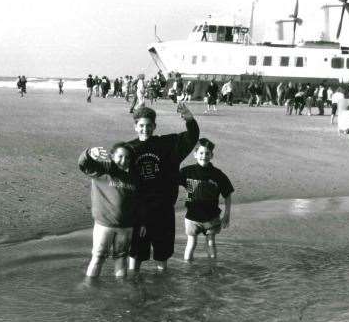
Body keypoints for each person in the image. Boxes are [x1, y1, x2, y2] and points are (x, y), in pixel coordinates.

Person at [127, 104, 199, 272]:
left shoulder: (167, 145)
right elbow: (112, 168)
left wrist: (189, 118)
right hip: (139, 212)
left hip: (164, 210)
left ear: (155, 126)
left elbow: (192, 137)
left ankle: (162, 291)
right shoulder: (129, 149)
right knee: (136, 255)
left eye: (149, 125)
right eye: (141, 125)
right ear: (135, 126)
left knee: (162, 255)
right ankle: (132, 288)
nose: (145, 129)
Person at [78, 143, 138, 278]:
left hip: (126, 227)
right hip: (105, 225)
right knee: (98, 257)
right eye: (120, 156)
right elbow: (83, 164)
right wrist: (89, 153)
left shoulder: (134, 178)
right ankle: (89, 287)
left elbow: (138, 203)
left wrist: (141, 222)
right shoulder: (103, 169)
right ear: (112, 156)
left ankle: (121, 289)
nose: (124, 161)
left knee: (121, 258)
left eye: (127, 158)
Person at [179, 138, 234, 261]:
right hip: (192, 216)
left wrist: (227, 215)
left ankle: (213, 268)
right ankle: (187, 267)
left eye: (207, 153)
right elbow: (171, 183)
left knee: (211, 243)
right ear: (195, 154)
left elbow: (228, 195)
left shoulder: (218, 174)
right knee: (191, 243)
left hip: (212, 216)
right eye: (201, 153)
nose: (204, 156)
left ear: (212, 155)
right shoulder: (187, 171)